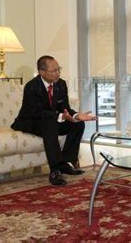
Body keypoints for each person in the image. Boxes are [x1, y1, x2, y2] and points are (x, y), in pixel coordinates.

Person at [11, 55, 97, 186]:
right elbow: (38, 112)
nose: (58, 73)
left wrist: (76, 116)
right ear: (42, 72)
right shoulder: (32, 87)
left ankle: (66, 163)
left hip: (50, 120)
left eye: (59, 69)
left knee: (77, 124)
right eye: (54, 71)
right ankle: (55, 170)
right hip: (32, 121)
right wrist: (60, 116)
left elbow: (65, 108)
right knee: (49, 124)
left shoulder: (61, 84)